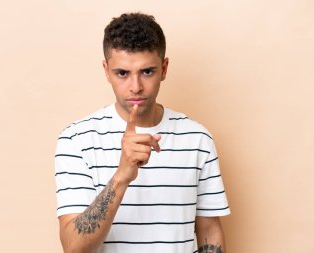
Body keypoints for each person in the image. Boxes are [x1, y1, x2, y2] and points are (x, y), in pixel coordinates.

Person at [55, 12, 230, 253]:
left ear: (164, 68)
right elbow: (73, 247)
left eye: (147, 71)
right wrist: (121, 177)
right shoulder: (76, 140)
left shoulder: (198, 139)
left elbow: (209, 230)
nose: (136, 87)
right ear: (106, 71)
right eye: (122, 73)